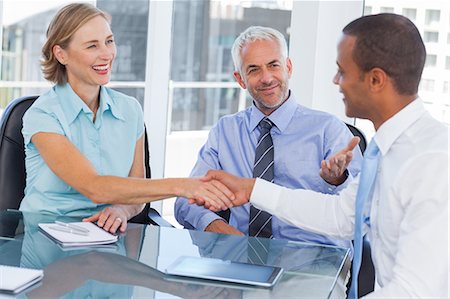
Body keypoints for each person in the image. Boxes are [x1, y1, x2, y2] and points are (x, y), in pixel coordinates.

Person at [193, 14, 449, 298]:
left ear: (375, 79)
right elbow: (340, 215)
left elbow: (415, 291)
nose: (336, 80)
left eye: (343, 71)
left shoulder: (432, 159)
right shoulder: (389, 150)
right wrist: (252, 189)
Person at [19, 3, 234, 234]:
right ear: (61, 54)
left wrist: (122, 210)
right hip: (43, 238)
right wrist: (184, 186)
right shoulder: (43, 114)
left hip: (106, 240)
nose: (106, 54)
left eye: (109, 41)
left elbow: (136, 195)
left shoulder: (130, 110)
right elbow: (94, 187)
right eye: (92, 45)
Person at [175, 25, 363, 250]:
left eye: (274, 65)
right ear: (240, 79)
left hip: (313, 257)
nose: (266, 78)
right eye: (254, 70)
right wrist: (218, 228)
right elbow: (186, 200)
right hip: (241, 255)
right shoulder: (225, 132)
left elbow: (359, 210)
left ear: (288, 67)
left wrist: (337, 180)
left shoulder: (328, 129)